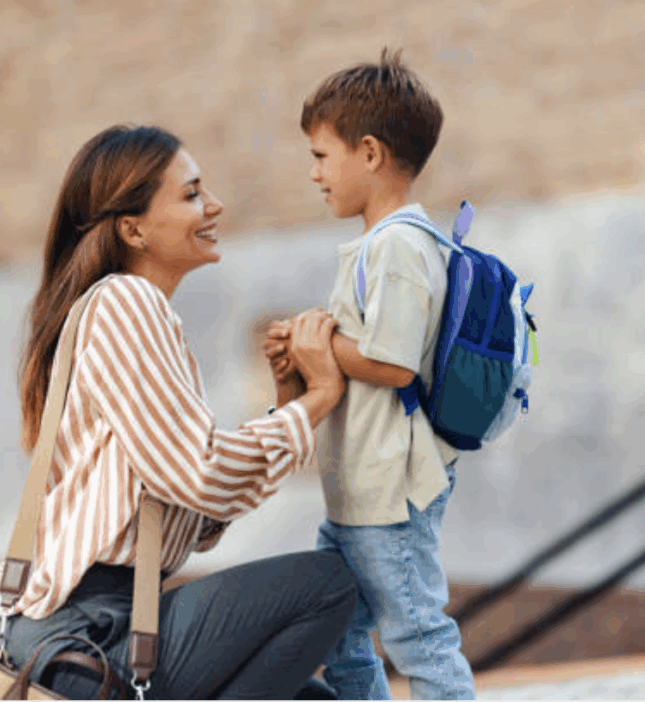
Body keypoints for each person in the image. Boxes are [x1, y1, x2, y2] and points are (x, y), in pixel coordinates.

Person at [0, 124, 356, 700]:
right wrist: (319, 400)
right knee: (327, 584)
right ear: (134, 229)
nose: (215, 205)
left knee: (315, 698)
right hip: (88, 634)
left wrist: (286, 406)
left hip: (94, 623)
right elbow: (199, 473)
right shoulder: (128, 303)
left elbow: (191, 513)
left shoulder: (123, 314)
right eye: (193, 193)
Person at [264, 48, 476, 699]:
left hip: (389, 498)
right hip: (359, 496)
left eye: (321, 157)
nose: (313, 174)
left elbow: (392, 361)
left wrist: (319, 346)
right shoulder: (379, 244)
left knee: (416, 637)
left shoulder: (400, 246)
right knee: (338, 635)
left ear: (370, 154)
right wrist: (309, 351)